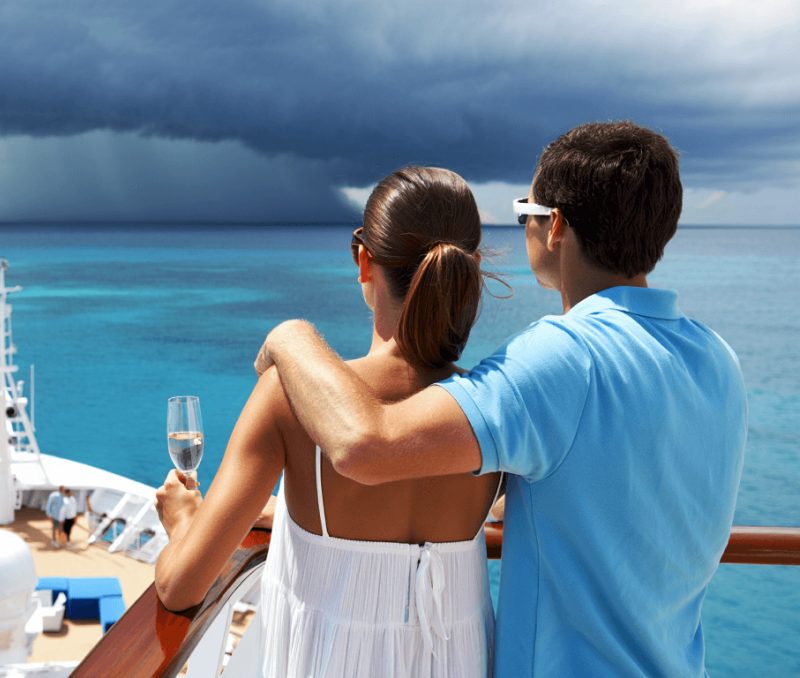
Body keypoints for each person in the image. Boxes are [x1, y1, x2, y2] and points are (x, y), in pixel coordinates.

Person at [254, 121, 747, 676]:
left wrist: (290, 338)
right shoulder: (716, 358)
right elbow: (607, 496)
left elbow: (368, 446)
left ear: (555, 226)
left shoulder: (561, 357)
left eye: (525, 213)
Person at [156, 166, 503, 676]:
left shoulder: (288, 398)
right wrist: (286, 517)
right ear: (469, 267)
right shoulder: (495, 403)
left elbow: (180, 585)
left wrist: (185, 521)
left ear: (365, 261)